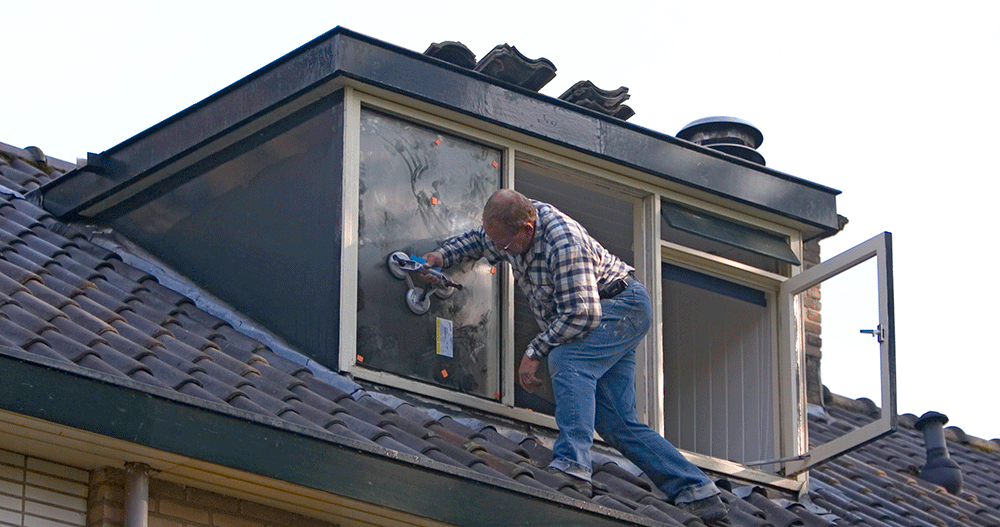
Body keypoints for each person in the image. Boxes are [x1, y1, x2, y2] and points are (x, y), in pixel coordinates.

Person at [422, 189, 729, 525]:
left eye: (505, 246)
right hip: (610, 312)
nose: (499, 251)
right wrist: (441, 255)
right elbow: (480, 242)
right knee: (616, 421)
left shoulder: (562, 242)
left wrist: (534, 351)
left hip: (619, 307)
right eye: (496, 243)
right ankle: (697, 489)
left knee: (568, 361)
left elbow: (581, 315)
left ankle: (573, 466)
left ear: (527, 229)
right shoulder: (505, 231)